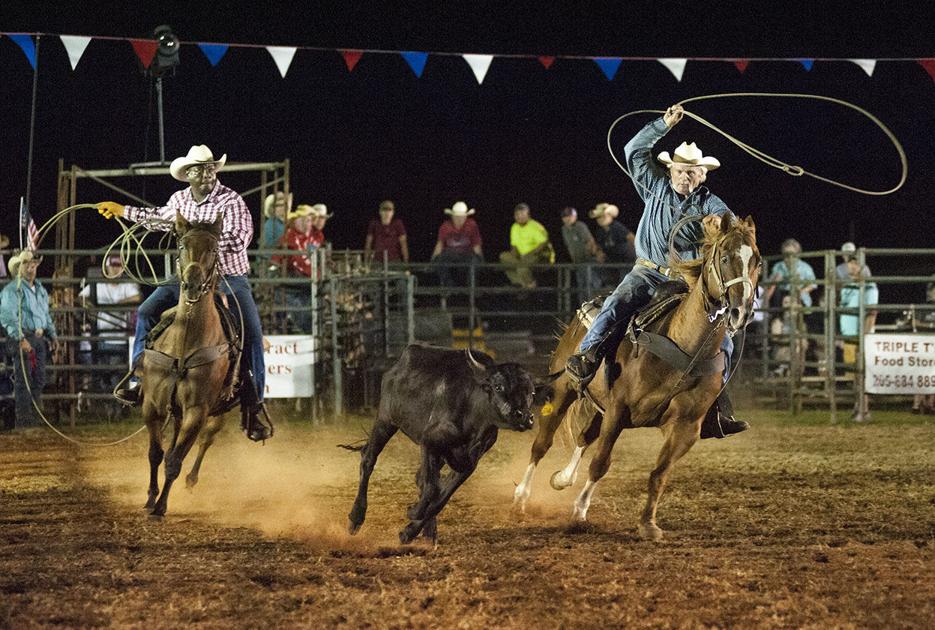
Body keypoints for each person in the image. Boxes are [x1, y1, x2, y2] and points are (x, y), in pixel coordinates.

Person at [565, 104, 748, 437]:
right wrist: (663, 124)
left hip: (685, 280)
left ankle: (716, 408)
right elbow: (632, 151)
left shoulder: (709, 203)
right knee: (616, 305)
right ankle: (586, 355)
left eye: (691, 172)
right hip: (647, 272)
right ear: (670, 170)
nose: (684, 176)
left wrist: (718, 227)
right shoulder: (654, 186)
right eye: (679, 170)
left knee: (726, 341)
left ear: (702, 175)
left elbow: (732, 230)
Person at [95, 144, 271, 441]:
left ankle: (255, 404)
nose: (205, 172)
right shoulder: (179, 200)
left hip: (229, 277)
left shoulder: (231, 200)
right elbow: (158, 218)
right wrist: (122, 210)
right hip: (188, 276)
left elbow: (241, 237)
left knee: (252, 333)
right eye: (197, 168)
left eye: (209, 166)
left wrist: (201, 240)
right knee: (147, 311)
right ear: (187, 174)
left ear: (216, 169)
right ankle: (141, 373)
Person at [78, 254, 142, 413]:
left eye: (119, 266)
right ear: (107, 268)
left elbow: (138, 296)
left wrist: (113, 305)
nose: (116, 269)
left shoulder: (127, 285)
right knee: (104, 373)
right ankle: (110, 407)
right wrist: (91, 306)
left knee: (116, 374)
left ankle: (116, 408)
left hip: (119, 337)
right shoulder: (99, 285)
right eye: (113, 266)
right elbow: (80, 298)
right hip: (102, 336)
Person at [0, 250, 57, 428]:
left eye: (33, 263)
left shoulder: (40, 289)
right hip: (22, 337)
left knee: (39, 378)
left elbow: (45, 315)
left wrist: (52, 335)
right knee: (24, 379)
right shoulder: (12, 290)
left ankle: (31, 416)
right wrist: (20, 338)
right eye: (26, 264)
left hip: (38, 338)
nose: (31, 267)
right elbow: (8, 316)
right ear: (19, 268)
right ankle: (24, 421)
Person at [839, 255, 878, 422]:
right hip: (849, 335)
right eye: (851, 263)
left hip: (860, 336)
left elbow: (871, 312)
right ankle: (858, 406)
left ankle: (864, 408)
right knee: (855, 374)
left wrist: (866, 335)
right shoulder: (848, 285)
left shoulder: (869, 286)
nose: (852, 267)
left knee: (862, 373)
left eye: (856, 263)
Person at [499, 202, 553, 289]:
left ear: (528, 215)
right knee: (504, 257)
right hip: (523, 256)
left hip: (540, 255)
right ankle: (521, 284)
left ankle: (530, 284)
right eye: (517, 214)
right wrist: (514, 257)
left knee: (522, 269)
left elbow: (544, 243)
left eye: (522, 214)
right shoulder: (514, 227)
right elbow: (514, 246)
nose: (519, 217)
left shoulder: (535, 226)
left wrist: (530, 254)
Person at [431, 201, 483, 288]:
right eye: (457, 217)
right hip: (449, 254)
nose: (459, 219)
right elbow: (439, 245)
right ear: (452, 216)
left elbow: (476, 245)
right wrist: (432, 260)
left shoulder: (472, 225)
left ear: (466, 217)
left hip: (467, 254)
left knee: (475, 262)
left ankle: (472, 288)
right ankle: (448, 286)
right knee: (439, 261)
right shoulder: (445, 226)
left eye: (462, 217)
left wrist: (481, 259)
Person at [560, 206, 602, 305]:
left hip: (588, 261)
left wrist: (593, 255)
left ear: (575, 216)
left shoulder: (579, 226)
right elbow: (569, 246)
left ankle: (597, 309)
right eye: (565, 216)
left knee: (592, 285)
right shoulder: (564, 229)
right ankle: (585, 310)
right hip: (578, 262)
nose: (567, 218)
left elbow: (590, 241)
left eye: (570, 215)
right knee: (582, 287)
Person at [589, 202, 636, 285]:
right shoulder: (600, 232)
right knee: (595, 267)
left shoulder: (616, 226)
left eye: (603, 216)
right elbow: (599, 247)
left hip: (625, 262)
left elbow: (632, 238)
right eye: (598, 217)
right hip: (613, 262)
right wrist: (598, 253)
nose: (600, 219)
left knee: (624, 282)